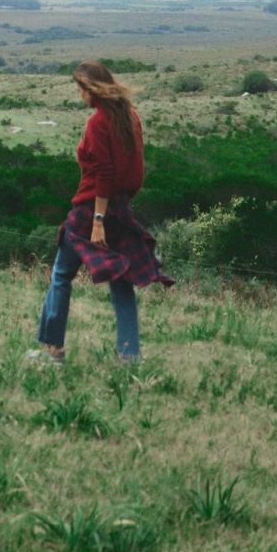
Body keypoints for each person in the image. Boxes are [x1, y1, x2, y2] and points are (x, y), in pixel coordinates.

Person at [30, 60, 173, 364]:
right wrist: (121, 204)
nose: (79, 93)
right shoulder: (129, 117)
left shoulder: (98, 122)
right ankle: (129, 357)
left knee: (61, 275)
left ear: (91, 87)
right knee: (121, 282)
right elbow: (135, 172)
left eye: (81, 87)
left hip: (90, 212)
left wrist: (97, 219)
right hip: (120, 209)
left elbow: (104, 174)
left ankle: (53, 350)